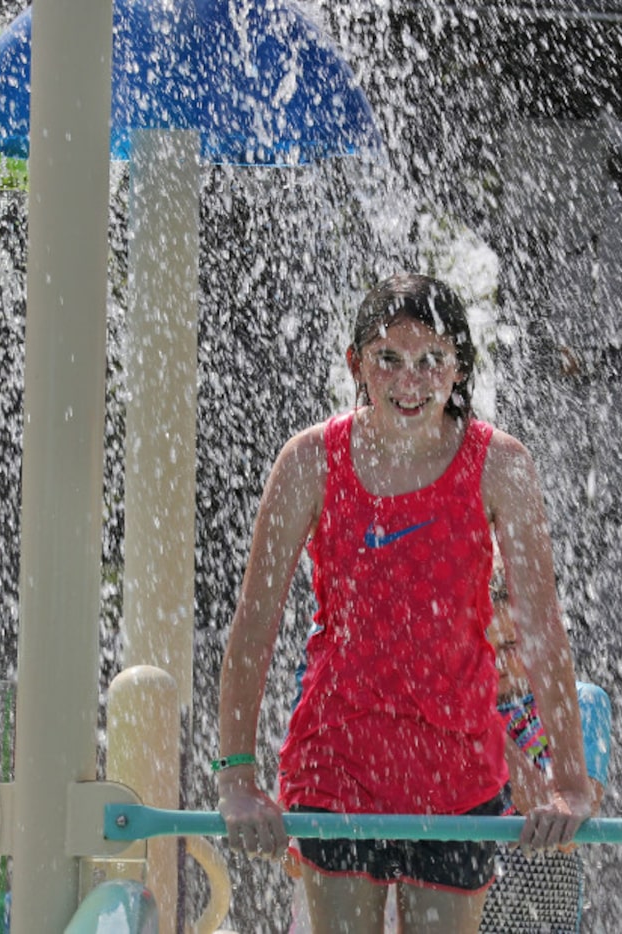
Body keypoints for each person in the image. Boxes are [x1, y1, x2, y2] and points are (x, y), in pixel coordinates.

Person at [214, 273, 597, 934]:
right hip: (334, 763)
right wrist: (236, 776)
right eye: (388, 359)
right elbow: (254, 624)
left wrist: (568, 781)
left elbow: (542, 632)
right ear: (355, 363)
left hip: (457, 774)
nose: (409, 381)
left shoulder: (500, 466)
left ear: (458, 368)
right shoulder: (309, 462)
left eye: (431, 361)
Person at [479, 573, 610, 934]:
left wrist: (481, 720)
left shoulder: (581, 703)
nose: (498, 662)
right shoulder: (446, 714)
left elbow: (564, 827)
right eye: (484, 646)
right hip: (459, 894)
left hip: (543, 905)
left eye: (510, 644)